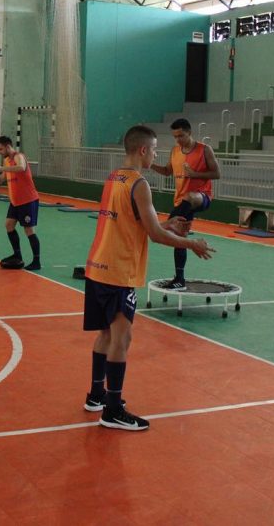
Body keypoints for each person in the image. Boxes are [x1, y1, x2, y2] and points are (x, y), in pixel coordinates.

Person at [84, 125, 215, 431]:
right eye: (155, 149)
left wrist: (166, 224)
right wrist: (192, 244)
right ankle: (112, 410)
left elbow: (135, 221)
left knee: (106, 335)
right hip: (119, 271)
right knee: (122, 338)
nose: (156, 155)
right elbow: (154, 234)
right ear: (143, 150)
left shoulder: (114, 178)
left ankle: (96, 395)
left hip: (97, 266)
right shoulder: (140, 184)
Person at [149, 118, 221, 290]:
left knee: (189, 197)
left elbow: (216, 174)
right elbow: (167, 171)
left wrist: (195, 174)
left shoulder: (205, 150)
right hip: (181, 201)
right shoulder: (175, 151)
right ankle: (179, 278)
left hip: (201, 197)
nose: (178, 139)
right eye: (175, 136)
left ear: (189, 132)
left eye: (181, 136)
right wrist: (150, 164)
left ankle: (164, 226)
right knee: (180, 238)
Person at [0, 136, 42, 270]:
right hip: (15, 201)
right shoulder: (6, 161)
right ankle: (17, 255)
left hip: (27, 200)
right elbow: (2, 178)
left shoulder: (18, 156)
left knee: (29, 230)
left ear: (8, 146)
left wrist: (1, 167)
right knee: (9, 225)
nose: (0, 152)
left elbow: (21, 167)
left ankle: (36, 261)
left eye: (1, 149)